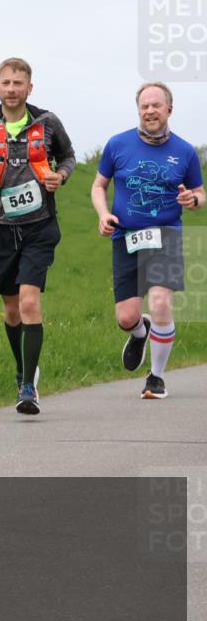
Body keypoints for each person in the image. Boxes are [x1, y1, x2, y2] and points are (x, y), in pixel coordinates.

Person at [0, 57, 76, 415]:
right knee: (10, 311)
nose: (12, 89)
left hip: (40, 226)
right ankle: (23, 368)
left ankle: (28, 389)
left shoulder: (47, 122)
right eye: (6, 83)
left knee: (28, 302)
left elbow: (68, 157)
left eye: (18, 83)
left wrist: (62, 176)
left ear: (29, 88)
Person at [90, 82, 204, 399]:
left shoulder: (184, 151)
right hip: (126, 236)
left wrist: (193, 201)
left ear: (170, 109)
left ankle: (156, 377)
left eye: (156, 105)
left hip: (167, 234)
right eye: (144, 106)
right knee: (126, 317)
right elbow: (99, 186)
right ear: (138, 110)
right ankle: (140, 331)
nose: (150, 111)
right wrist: (103, 214)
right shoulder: (117, 145)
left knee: (161, 302)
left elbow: (199, 193)